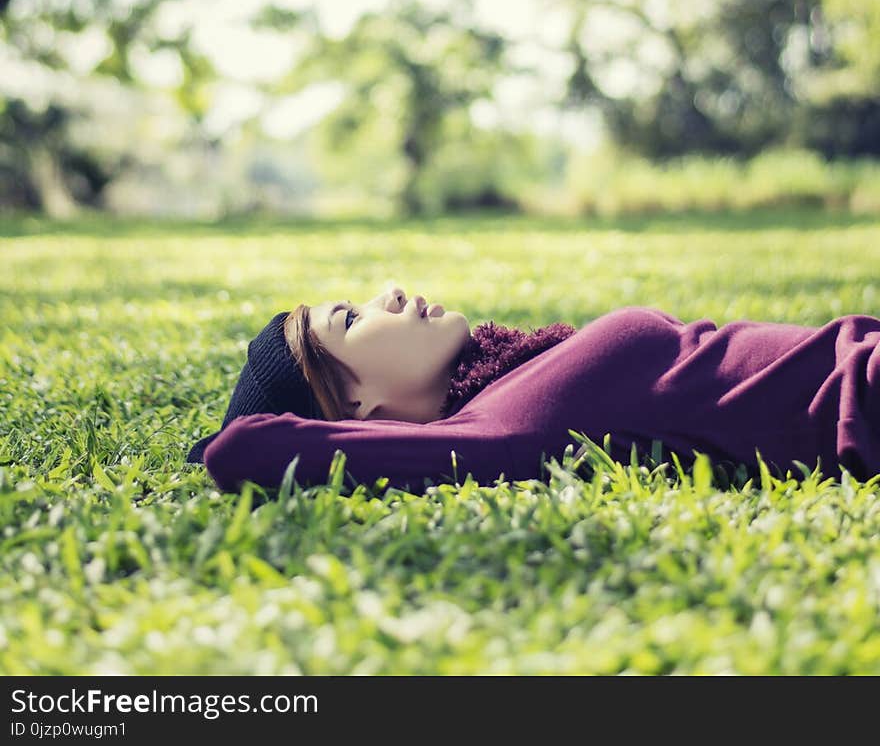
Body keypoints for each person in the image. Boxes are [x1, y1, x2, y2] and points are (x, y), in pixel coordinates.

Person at [186, 286, 880, 493]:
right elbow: (240, 451)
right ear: (357, 410)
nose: (388, 293)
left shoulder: (511, 379)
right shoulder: (499, 429)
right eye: (350, 318)